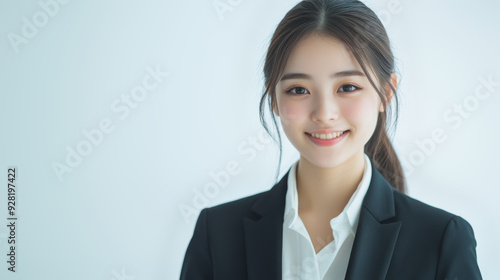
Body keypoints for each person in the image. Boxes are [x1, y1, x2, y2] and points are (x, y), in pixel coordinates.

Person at [179, 0, 482, 279]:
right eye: (298, 89)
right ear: (274, 98)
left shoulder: (441, 239)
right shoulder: (217, 233)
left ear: (386, 93)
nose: (324, 113)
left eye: (347, 87)